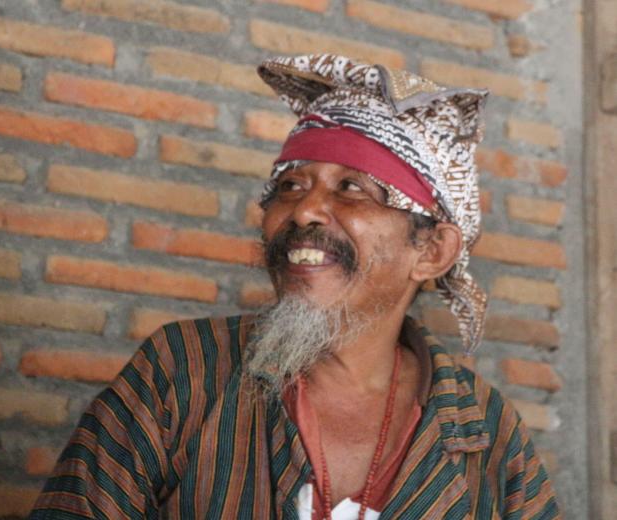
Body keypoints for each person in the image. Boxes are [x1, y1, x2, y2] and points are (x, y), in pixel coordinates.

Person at [29, 54, 560, 519]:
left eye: (351, 188)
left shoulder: (487, 433)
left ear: (431, 251)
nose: (304, 210)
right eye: (289, 185)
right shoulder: (184, 370)